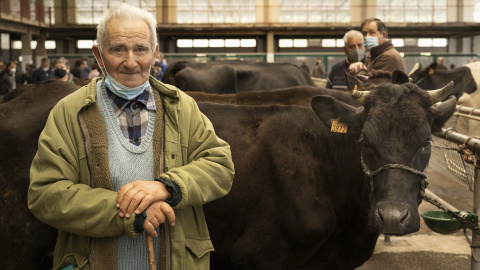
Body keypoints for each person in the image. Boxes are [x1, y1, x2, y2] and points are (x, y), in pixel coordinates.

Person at [28, 3, 234, 270]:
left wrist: (166, 187)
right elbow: (45, 193)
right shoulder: (70, 112)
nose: (130, 62)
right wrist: (132, 214)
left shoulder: (181, 107)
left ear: (155, 53)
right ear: (98, 55)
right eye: (117, 49)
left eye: (140, 49)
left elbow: (220, 165)